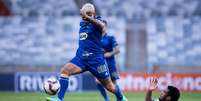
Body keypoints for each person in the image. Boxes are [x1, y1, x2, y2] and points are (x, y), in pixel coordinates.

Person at [46, 3, 127, 101]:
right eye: (84, 14)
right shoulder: (82, 24)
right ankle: (60, 99)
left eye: (89, 13)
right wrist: (85, 16)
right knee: (65, 70)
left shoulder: (98, 22)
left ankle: (121, 98)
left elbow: (101, 25)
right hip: (81, 59)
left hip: (96, 61)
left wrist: (88, 17)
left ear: (94, 13)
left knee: (110, 86)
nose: (86, 16)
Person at [96, 20, 122, 101]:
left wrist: (110, 54)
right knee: (98, 81)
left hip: (111, 64)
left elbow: (117, 50)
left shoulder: (110, 38)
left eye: (103, 26)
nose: (102, 27)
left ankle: (119, 98)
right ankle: (106, 99)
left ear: (106, 27)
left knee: (113, 83)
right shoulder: (96, 38)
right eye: (100, 26)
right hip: (100, 64)